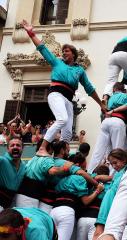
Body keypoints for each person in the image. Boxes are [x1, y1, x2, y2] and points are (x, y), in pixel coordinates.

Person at [22, 20, 105, 156]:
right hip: (56, 95)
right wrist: (31, 33)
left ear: (73, 54)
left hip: (68, 99)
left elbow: (90, 89)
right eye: (63, 51)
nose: (64, 53)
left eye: (66, 51)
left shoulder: (80, 70)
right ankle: (42, 148)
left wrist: (101, 104)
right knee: (62, 119)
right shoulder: (57, 62)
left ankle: (62, 154)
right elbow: (42, 48)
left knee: (67, 131)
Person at [0, 138, 26, 211]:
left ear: (22, 148)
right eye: (12, 145)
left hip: (11, 204)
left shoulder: (24, 166)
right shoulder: (2, 160)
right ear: (8, 149)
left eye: (18, 145)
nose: (15, 147)